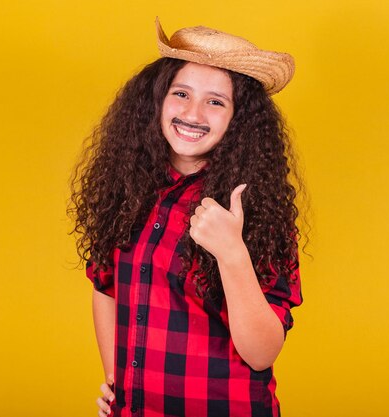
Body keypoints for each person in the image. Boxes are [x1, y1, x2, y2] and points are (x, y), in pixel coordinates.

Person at [69, 17, 305, 417]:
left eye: (216, 101)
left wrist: (232, 252)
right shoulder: (130, 189)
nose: (193, 113)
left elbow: (263, 352)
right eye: (181, 93)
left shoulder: (254, 208)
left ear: (238, 120)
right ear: (156, 101)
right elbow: (105, 286)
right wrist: (116, 381)